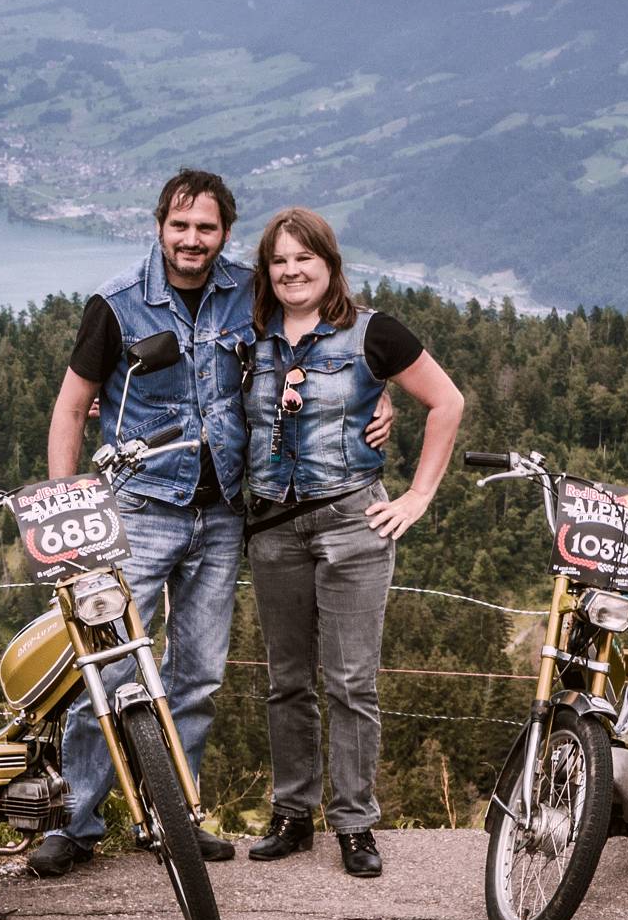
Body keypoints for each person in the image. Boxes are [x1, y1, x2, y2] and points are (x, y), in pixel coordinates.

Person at [32, 169, 335, 877]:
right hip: (137, 512)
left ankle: (175, 820)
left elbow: (322, 335)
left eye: (206, 227)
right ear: (160, 226)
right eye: (180, 225)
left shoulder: (249, 293)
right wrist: (70, 510)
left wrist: (378, 397)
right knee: (106, 672)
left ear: (225, 232)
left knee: (196, 677)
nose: (192, 239)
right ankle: (75, 824)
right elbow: (71, 408)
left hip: (223, 513)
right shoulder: (116, 305)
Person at [238, 205, 464, 878]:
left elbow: (447, 402)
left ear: (329, 263)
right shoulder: (246, 336)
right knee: (286, 682)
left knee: (350, 683)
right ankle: (292, 814)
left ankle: (355, 823)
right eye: (278, 260)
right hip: (272, 528)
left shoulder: (373, 332)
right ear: (266, 270)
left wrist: (418, 496)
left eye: (303, 258)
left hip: (351, 522)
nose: (291, 271)